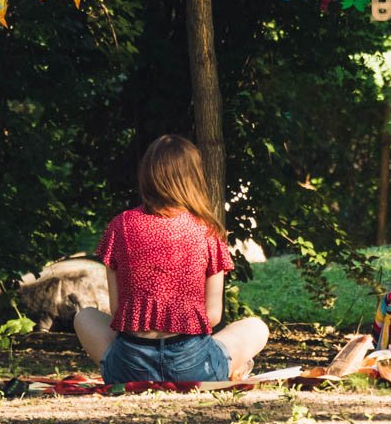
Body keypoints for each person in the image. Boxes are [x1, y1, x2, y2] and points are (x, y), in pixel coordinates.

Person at [74, 135, 269, 383]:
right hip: (194, 368)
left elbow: (117, 311)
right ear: (195, 178)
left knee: (84, 316)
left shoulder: (121, 225)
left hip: (131, 368)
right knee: (256, 327)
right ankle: (228, 367)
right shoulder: (208, 230)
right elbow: (213, 316)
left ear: (147, 175)